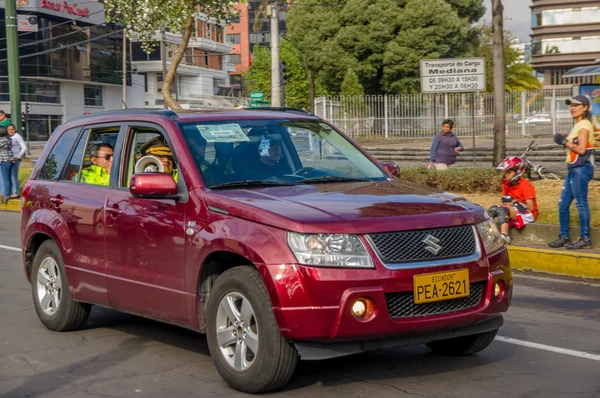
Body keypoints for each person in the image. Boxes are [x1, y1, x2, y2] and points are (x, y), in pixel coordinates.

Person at [548, 95, 595, 250]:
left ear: (585, 108)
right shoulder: (578, 125)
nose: (572, 107)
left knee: (581, 204)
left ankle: (586, 238)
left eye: (576, 105)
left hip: (581, 169)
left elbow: (581, 150)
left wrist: (564, 141)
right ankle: (564, 236)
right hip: (573, 169)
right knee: (562, 204)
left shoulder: (584, 125)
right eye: (571, 105)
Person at [488, 156, 538, 244]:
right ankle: (486, 234)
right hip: (513, 209)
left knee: (502, 210)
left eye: (509, 172)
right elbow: (505, 202)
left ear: (517, 172)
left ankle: (504, 236)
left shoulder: (525, 185)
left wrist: (514, 203)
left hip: (527, 213)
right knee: (493, 209)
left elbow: (530, 208)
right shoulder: (507, 184)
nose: (506, 175)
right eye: (505, 172)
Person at [7, 124, 27, 198]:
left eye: (12, 129)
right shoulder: (8, 137)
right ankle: (10, 191)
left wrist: (18, 157)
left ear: (14, 129)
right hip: (8, 158)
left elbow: (24, 147)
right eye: (9, 129)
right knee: (8, 175)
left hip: (15, 159)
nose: (11, 131)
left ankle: (16, 192)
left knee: (13, 176)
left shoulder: (17, 136)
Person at [0, 126, 13, 203]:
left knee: (5, 178)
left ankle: (7, 195)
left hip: (4, 160)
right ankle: (9, 193)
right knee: (8, 178)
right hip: (10, 159)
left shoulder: (1, 140)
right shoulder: (9, 139)